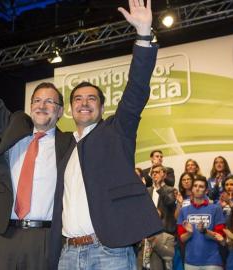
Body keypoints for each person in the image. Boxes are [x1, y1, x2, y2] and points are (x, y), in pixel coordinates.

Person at [0, 9, 73, 270]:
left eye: (49, 102)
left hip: (46, 239)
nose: (42, 106)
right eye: (37, 100)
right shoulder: (14, 132)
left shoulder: (69, 145)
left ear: (61, 111)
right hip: (4, 236)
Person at [50, 1, 163, 269]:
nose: (84, 102)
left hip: (109, 252)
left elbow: (136, 90)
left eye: (91, 99)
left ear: (102, 107)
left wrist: (144, 35)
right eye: (78, 98)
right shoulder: (63, 145)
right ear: (70, 108)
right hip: (67, 254)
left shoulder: (116, 131)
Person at [177, 175, 225, 270]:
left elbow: (220, 237)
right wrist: (189, 233)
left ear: (206, 191)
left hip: (212, 261)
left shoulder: (216, 209)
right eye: (195, 186)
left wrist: (205, 231)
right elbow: (182, 238)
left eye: (201, 186)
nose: (197, 188)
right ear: (192, 189)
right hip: (190, 261)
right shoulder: (184, 210)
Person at [147, 165, 177, 234]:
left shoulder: (172, 190)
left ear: (164, 175)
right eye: (152, 172)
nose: (154, 174)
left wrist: (159, 188)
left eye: (157, 172)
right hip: (150, 231)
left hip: (165, 231)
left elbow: (169, 202)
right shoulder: (147, 191)